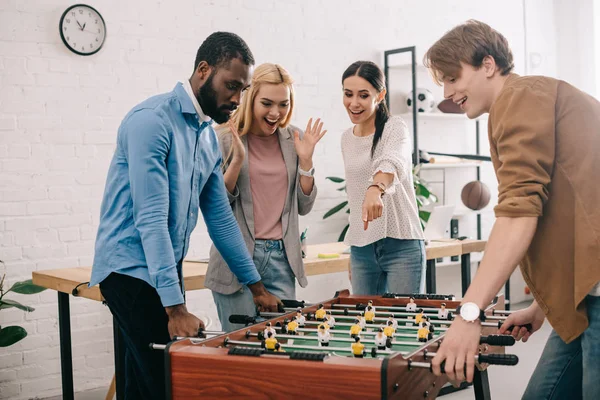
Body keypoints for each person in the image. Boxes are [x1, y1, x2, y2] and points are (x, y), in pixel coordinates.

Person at [90, 32, 281, 400]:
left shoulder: (207, 137)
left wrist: (256, 287)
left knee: (141, 384)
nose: (237, 100)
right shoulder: (151, 122)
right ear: (203, 71)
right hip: (128, 271)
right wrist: (175, 308)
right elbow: (150, 219)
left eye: (243, 89)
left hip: (159, 269)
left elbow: (221, 220)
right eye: (231, 86)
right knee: (167, 383)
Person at [423, 20, 600, 399]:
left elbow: (520, 212)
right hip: (585, 291)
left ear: (488, 65)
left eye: (454, 78)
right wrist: (539, 308)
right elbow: (576, 212)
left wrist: (469, 313)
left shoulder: (521, 98)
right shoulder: (528, 99)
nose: (448, 91)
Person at [205, 63, 326, 332]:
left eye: (283, 104)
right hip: (236, 259)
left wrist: (306, 162)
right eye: (267, 103)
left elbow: (304, 207)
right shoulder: (222, 138)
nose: (275, 113)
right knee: (240, 346)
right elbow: (217, 208)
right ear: (250, 98)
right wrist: (237, 162)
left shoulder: (294, 140)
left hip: (281, 258)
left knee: (281, 346)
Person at [341, 61, 426, 296]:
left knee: (407, 325)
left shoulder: (395, 127)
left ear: (381, 95)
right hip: (362, 251)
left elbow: (393, 160)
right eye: (348, 94)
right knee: (367, 326)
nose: (354, 103)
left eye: (363, 95)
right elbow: (353, 195)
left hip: (402, 246)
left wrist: (375, 188)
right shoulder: (346, 139)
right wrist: (355, 245)